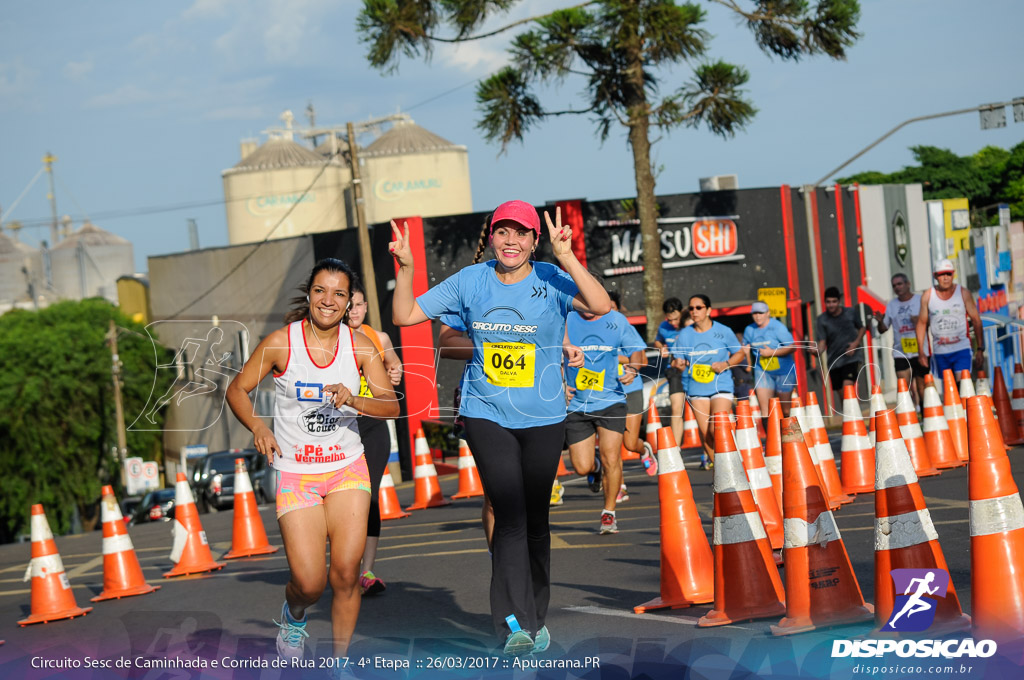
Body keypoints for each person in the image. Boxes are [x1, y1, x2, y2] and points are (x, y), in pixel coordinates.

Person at [388, 200, 610, 655]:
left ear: (534, 240)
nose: (512, 241)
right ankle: (513, 624)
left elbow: (600, 306)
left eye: (522, 233)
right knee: (508, 516)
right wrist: (406, 267)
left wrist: (566, 255)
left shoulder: (550, 277)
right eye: (503, 232)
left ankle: (535, 612)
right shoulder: (472, 280)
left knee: (535, 522)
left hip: (545, 416)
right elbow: (406, 316)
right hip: (486, 412)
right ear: (491, 237)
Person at [225, 258, 399, 667]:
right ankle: (294, 615)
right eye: (322, 290)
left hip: (346, 468)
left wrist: (355, 398)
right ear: (309, 294)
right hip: (297, 473)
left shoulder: (359, 346)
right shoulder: (280, 343)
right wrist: (258, 427)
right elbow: (237, 389)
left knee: (345, 573)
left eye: (340, 294)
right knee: (308, 583)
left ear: (348, 302)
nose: (329, 300)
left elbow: (391, 406)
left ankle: (338, 664)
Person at [564, 287, 647, 534]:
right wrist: (560, 383)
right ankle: (595, 467)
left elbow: (637, 350)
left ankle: (608, 513)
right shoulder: (565, 318)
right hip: (577, 404)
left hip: (611, 401)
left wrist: (633, 368)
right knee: (581, 467)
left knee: (614, 457)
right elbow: (546, 352)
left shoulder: (616, 320)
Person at [346, 281, 404, 596]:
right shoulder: (336, 340)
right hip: (342, 426)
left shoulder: (378, 338)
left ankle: (366, 570)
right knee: (345, 499)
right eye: (348, 304)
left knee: (368, 496)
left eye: (358, 305)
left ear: (366, 307)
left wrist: (394, 372)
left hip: (372, 425)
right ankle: (345, 567)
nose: (353, 311)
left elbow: (394, 365)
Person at [670, 294, 746, 469]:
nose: (694, 311)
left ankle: (733, 459)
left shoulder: (723, 331)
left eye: (699, 307)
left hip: (721, 385)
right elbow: (677, 360)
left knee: (715, 428)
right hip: (696, 388)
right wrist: (679, 364)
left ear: (709, 310)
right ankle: (722, 471)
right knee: (706, 435)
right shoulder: (684, 335)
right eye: (691, 308)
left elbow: (739, 353)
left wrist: (726, 364)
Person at [608, 291, 655, 475]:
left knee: (629, 442)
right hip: (607, 391)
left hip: (631, 388)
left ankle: (644, 450)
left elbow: (643, 360)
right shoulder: (593, 330)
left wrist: (613, 357)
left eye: (612, 308)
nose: (607, 311)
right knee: (611, 445)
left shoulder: (625, 328)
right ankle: (618, 485)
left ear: (618, 310)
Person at [916, 259, 984, 378]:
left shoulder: (963, 293)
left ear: (953, 274)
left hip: (961, 348)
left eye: (949, 274)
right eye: (942, 274)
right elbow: (921, 324)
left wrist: (980, 349)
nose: (946, 277)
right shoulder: (927, 296)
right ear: (935, 276)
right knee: (949, 387)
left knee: (963, 383)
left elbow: (976, 320)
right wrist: (921, 352)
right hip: (940, 351)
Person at [874, 273, 927, 407]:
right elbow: (883, 329)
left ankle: (926, 415)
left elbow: (931, 321)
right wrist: (880, 322)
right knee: (903, 387)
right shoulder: (892, 305)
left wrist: (920, 321)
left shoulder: (920, 300)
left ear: (908, 284)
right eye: (894, 286)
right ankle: (909, 416)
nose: (897, 288)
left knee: (922, 387)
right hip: (900, 352)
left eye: (900, 284)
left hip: (920, 350)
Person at [742, 301, 797, 421]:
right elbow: (745, 347)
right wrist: (747, 359)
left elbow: (793, 347)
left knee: (785, 409)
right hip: (763, 371)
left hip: (784, 371)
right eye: (754, 313)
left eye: (761, 313)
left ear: (768, 313)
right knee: (766, 410)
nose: (757, 316)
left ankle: (789, 437)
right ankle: (772, 439)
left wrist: (772, 353)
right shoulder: (749, 330)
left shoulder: (777, 327)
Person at [815, 286, 867, 406]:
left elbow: (862, 328)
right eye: (828, 302)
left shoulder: (850, 313)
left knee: (847, 387)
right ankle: (851, 416)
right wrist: (817, 351)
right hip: (834, 361)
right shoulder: (822, 320)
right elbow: (822, 342)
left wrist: (855, 343)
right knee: (842, 395)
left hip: (852, 358)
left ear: (839, 301)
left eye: (834, 301)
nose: (831, 305)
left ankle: (854, 417)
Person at [653, 298, 687, 445]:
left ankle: (707, 452)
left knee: (701, 411)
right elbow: (657, 340)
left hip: (693, 370)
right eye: (670, 319)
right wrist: (661, 347)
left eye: (676, 319)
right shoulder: (663, 326)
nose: (673, 323)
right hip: (673, 371)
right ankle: (676, 448)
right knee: (676, 409)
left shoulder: (690, 326)